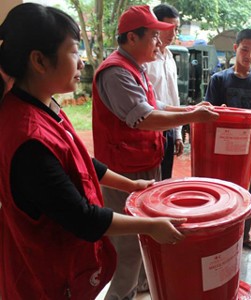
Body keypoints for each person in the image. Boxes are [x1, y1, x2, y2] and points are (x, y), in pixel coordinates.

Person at [0, 3, 187, 299]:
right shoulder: (28, 140)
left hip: (59, 264)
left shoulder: (43, 106)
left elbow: (77, 159)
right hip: (43, 276)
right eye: (74, 51)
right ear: (39, 61)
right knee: (127, 253)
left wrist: (131, 184)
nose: (82, 63)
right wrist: (151, 226)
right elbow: (83, 219)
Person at [91, 5, 219, 299]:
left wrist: (191, 109)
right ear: (132, 38)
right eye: (153, 37)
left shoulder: (136, 68)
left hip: (142, 164)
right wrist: (192, 118)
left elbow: (157, 105)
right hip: (124, 170)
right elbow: (144, 117)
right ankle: (119, 295)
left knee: (140, 240)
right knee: (128, 249)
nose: (159, 43)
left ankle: (135, 288)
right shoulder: (115, 72)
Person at [205, 29, 251, 252]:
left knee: (248, 191)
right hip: (221, 147)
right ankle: (217, 235)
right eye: (245, 49)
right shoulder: (218, 79)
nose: (249, 55)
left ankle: (244, 237)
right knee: (220, 190)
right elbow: (207, 110)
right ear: (236, 49)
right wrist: (218, 111)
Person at [145, 4, 182, 180]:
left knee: (165, 179)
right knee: (150, 181)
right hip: (148, 131)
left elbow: (174, 97)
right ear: (155, 26)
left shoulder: (170, 58)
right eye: (169, 28)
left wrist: (177, 133)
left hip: (167, 129)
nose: (173, 34)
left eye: (176, 29)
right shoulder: (144, 59)